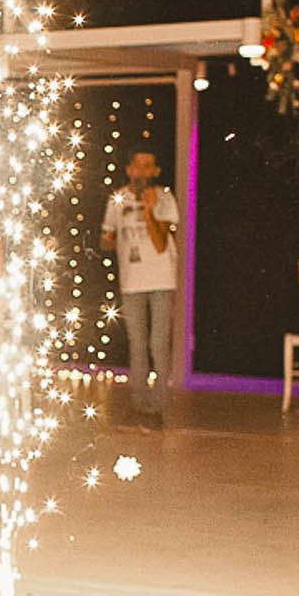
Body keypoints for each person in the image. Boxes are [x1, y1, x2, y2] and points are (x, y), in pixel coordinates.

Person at [101, 149, 180, 424]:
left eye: (149, 166)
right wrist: (110, 240)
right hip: (132, 280)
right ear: (129, 170)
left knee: (158, 344)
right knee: (137, 344)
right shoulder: (117, 200)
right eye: (138, 165)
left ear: (156, 171)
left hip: (161, 279)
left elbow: (161, 244)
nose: (143, 170)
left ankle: (156, 407)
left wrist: (149, 210)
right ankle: (138, 405)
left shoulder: (165, 198)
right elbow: (106, 239)